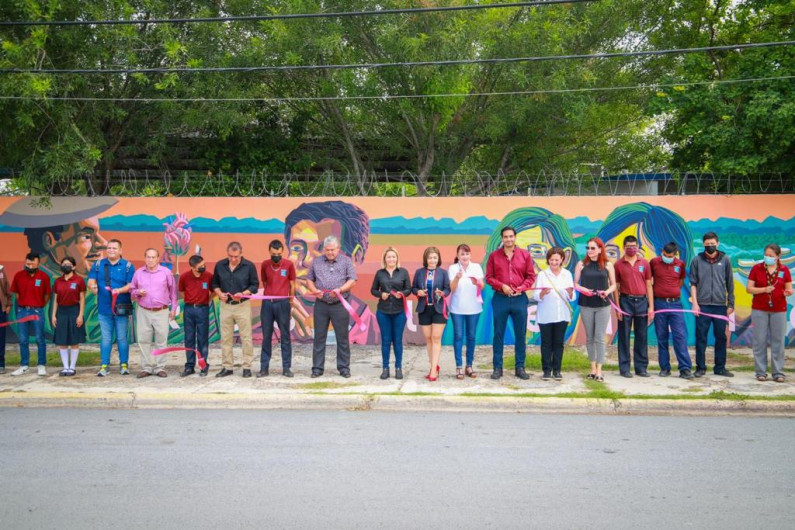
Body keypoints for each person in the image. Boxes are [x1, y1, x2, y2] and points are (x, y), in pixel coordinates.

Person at [284, 201, 377, 344]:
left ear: (355, 256)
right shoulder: (267, 323)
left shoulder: (375, 332)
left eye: (324, 248)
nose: (307, 261)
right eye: (297, 248)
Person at [485, 226, 537, 380]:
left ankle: (520, 367)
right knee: (498, 334)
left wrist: (522, 287)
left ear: (515, 237)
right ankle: (497, 368)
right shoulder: (494, 256)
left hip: (520, 299)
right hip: (500, 298)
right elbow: (489, 277)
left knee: (520, 334)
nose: (508, 239)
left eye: (511, 236)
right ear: (502, 238)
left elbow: (531, 276)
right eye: (506, 237)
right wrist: (502, 286)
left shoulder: (525, 255)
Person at [306, 235, 358, 378]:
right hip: (321, 305)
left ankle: (343, 368)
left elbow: (353, 279)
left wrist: (340, 290)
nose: (330, 252)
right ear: (324, 249)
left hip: (340, 305)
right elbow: (309, 279)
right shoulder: (316, 262)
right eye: (327, 250)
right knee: (319, 337)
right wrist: (313, 290)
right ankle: (317, 368)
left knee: (342, 337)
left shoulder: (346, 261)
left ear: (338, 249)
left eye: (332, 250)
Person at [689, 232, 735, 378]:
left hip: (720, 306)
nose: (710, 246)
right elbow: (693, 284)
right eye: (707, 244)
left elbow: (730, 283)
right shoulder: (697, 260)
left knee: (720, 337)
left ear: (718, 243)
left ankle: (720, 367)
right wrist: (695, 304)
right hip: (702, 306)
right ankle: (700, 367)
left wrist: (730, 303)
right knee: (701, 337)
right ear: (703, 244)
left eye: (712, 244)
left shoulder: (726, 260)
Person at [746, 244, 793, 383]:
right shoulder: (757, 268)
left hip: (779, 309)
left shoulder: (784, 270)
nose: (768, 258)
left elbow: (789, 289)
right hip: (759, 309)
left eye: (772, 256)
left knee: (778, 341)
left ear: (778, 256)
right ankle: (760, 372)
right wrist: (764, 289)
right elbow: (749, 289)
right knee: (759, 340)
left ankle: (778, 372)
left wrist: (788, 292)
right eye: (766, 255)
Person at [212, 241, 259, 378]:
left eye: (236, 257)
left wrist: (244, 293)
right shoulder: (220, 265)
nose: (233, 259)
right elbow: (214, 283)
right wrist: (220, 293)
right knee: (226, 338)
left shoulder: (249, 266)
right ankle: (227, 367)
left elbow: (254, 285)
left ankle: (247, 367)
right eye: (230, 256)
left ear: (241, 254)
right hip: (225, 306)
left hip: (242, 306)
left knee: (246, 337)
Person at [88, 239, 134, 377]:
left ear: (120, 250)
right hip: (104, 308)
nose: (111, 250)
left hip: (121, 307)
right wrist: (92, 287)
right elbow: (91, 280)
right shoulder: (98, 265)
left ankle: (124, 365)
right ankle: (104, 365)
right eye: (109, 248)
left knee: (121, 338)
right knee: (106, 338)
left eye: (114, 248)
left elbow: (131, 285)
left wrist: (119, 290)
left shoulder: (128, 266)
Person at [130, 248, 178, 378]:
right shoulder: (138, 273)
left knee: (161, 339)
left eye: (153, 257)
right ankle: (146, 368)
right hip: (143, 310)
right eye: (148, 257)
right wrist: (138, 292)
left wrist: (173, 309)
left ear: (158, 259)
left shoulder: (166, 272)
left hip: (161, 310)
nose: (150, 260)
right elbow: (132, 290)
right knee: (143, 340)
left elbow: (173, 293)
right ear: (144, 258)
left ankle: (159, 368)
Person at [574, 238, 616, 383]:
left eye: (592, 248)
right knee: (590, 337)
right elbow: (575, 284)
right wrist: (583, 289)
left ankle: (599, 369)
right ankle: (592, 368)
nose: (589, 251)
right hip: (586, 304)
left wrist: (606, 291)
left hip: (603, 305)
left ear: (600, 249)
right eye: (588, 248)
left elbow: (614, 285)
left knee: (599, 337)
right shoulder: (581, 264)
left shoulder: (608, 265)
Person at [650, 242, 694, 379]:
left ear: (675, 254)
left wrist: (672, 291)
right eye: (665, 255)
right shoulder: (654, 263)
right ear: (662, 251)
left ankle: (685, 369)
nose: (667, 257)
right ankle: (664, 368)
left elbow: (680, 281)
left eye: (670, 256)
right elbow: (648, 280)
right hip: (660, 304)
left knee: (680, 336)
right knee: (662, 337)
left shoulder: (680, 264)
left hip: (675, 305)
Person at [613, 235, 654, 378]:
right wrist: (617, 307)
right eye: (629, 247)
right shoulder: (618, 264)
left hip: (642, 302)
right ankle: (624, 368)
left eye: (634, 246)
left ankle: (641, 367)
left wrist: (651, 307)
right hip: (625, 302)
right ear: (624, 247)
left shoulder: (645, 263)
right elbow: (616, 287)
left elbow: (649, 284)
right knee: (623, 336)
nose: (632, 249)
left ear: (638, 247)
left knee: (641, 335)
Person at [533, 247, 576, 380]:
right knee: (546, 343)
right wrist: (542, 293)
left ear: (562, 259)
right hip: (546, 315)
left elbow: (572, 297)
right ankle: (546, 370)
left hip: (561, 315)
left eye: (557, 259)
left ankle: (557, 370)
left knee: (558, 343)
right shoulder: (542, 275)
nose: (554, 262)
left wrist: (570, 292)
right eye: (551, 260)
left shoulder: (567, 274)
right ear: (548, 260)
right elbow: (535, 295)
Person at [370, 247, 411, 380]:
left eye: (394, 257)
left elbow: (408, 289)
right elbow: (373, 290)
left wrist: (402, 294)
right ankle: (385, 368)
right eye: (389, 257)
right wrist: (381, 294)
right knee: (386, 341)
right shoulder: (379, 273)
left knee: (397, 340)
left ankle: (398, 367)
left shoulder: (403, 272)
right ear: (385, 259)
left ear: (397, 258)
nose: (391, 259)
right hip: (383, 311)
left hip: (399, 311)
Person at [259, 240, 296, 378]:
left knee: (285, 336)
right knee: (266, 336)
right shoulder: (264, 265)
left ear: (283, 252)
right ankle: (264, 368)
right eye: (274, 254)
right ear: (269, 252)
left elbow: (292, 284)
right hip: (267, 304)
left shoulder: (289, 265)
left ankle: (286, 367)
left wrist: (291, 301)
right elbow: (265, 282)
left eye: (279, 254)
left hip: (283, 304)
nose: (276, 256)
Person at [9, 253, 52, 376]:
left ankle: (41, 365)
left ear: (38, 264)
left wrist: (40, 304)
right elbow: (16, 293)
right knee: (23, 339)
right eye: (28, 263)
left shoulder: (43, 276)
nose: (30, 266)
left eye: (33, 264)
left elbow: (47, 294)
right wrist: (24, 303)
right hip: (22, 311)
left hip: (37, 311)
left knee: (40, 338)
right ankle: (24, 365)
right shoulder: (18, 276)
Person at [412, 247, 450, 382]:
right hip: (424, 309)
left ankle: (433, 370)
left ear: (438, 259)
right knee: (428, 338)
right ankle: (433, 365)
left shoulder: (443, 273)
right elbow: (413, 288)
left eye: (435, 257)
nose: (432, 260)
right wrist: (418, 292)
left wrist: (443, 293)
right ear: (426, 259)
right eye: (430, 257)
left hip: (439, 309)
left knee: (436, 337)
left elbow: (448, 288)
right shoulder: (419, 272)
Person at [448, 244, 484, 379]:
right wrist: (457, 277)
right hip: (457, 308)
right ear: (458, 256)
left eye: (467, 254)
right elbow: (452, 288)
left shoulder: (476, 267)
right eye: (462, 254)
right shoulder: (452, 268)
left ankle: (469, 365)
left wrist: (478, 283)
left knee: (471, 337)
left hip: (474, 308)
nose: (465, 256)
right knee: (458, 336)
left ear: (470, 255)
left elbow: (483, 284)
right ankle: (458, 366)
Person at [178, 255, 214, 377]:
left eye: (204, 265)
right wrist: (190, 300)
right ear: (193, 267)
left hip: (203, 309)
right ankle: (189, 366)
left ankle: (203, 365)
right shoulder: (184, 277)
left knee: (202, 338)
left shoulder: (209, 276)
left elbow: (214, 291)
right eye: (200, 266)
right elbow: (182, 291)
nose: (203, 267)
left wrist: (206, 300)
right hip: (188, 309)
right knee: (189, 338)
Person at [51, 256, 86, 376]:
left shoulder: (79, 280)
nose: (65, 266)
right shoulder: (57, 281)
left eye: (68, 264)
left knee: (74, 341)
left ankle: (72, 367)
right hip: (61, 312)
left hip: (74, 311)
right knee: (62, 341)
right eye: (63, 264)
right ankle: (65, 367)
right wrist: (53, 315)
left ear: (74, 267)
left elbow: (82, 299)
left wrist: (80, 315)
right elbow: (55, 300)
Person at [0, 262, 10, 374]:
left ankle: (1, 364)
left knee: (1, 337)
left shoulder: (1, 271)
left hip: (0, 310)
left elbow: (7, 289)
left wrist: (9, 304)